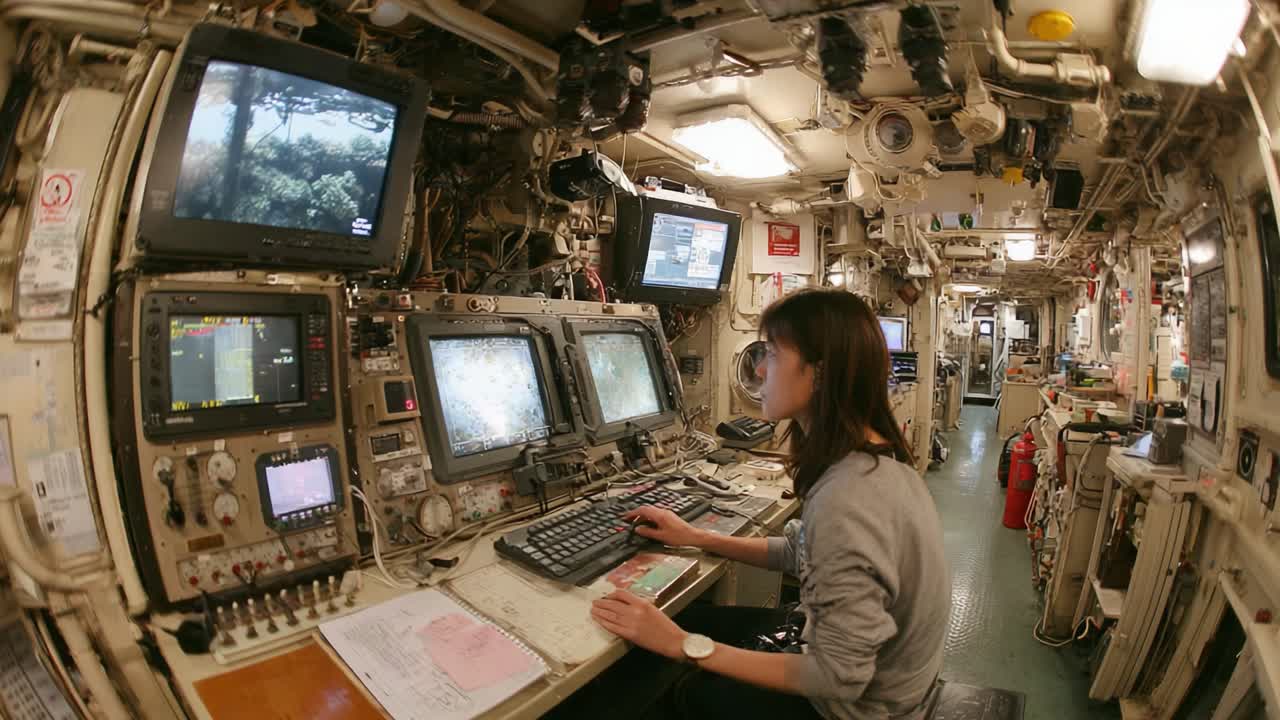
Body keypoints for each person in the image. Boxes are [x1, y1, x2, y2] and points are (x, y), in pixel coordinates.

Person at [585, 289, 951, 720]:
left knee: (661, 681)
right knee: (685, 619)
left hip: (853, 709)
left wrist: (679, 645)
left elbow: (837, 677)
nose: (759, 368)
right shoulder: (875, 461)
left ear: (819, 372)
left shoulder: (850, 498)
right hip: (870, 679)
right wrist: (695, 536)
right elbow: (802, 553)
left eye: (772, 354)